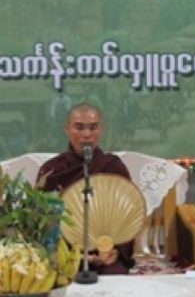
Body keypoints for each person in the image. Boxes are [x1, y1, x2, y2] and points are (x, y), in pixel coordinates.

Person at [37, 103, 134, 274]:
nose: (87, 134)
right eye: (79, 127)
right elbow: (39, 218)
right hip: (63, 254)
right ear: (67, 129)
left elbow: (128, 216)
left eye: (93, 127)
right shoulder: (52, 170)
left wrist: (117, 251)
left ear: (101, 130)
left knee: (115, 278)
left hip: (104, 254)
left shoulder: (112, 167)